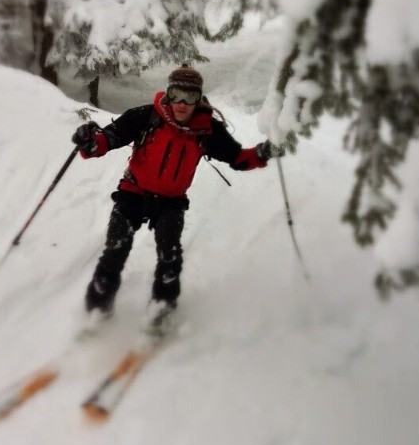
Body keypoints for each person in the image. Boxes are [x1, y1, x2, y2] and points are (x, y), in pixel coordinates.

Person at [71, 64, 283, 331]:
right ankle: (98, 310)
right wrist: (90, 142)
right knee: (116, 247)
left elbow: (238, 158)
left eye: (190, 97)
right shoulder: (145, 116)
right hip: (133, 191)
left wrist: (263, 153)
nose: (182, 104)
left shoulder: (207, 130)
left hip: (170, 201)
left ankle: (161, 312)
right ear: (168, 94)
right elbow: (107, 139)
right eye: (176, 94)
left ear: (199, 99)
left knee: (169, 255)